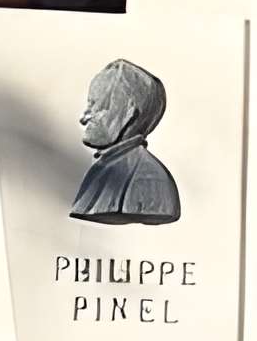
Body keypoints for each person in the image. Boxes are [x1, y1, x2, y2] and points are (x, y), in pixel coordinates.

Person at [68, 57, 180, 224]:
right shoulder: (106, 166)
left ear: (128, 112)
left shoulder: (149, 180)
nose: (83, 118)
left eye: (98, 107)